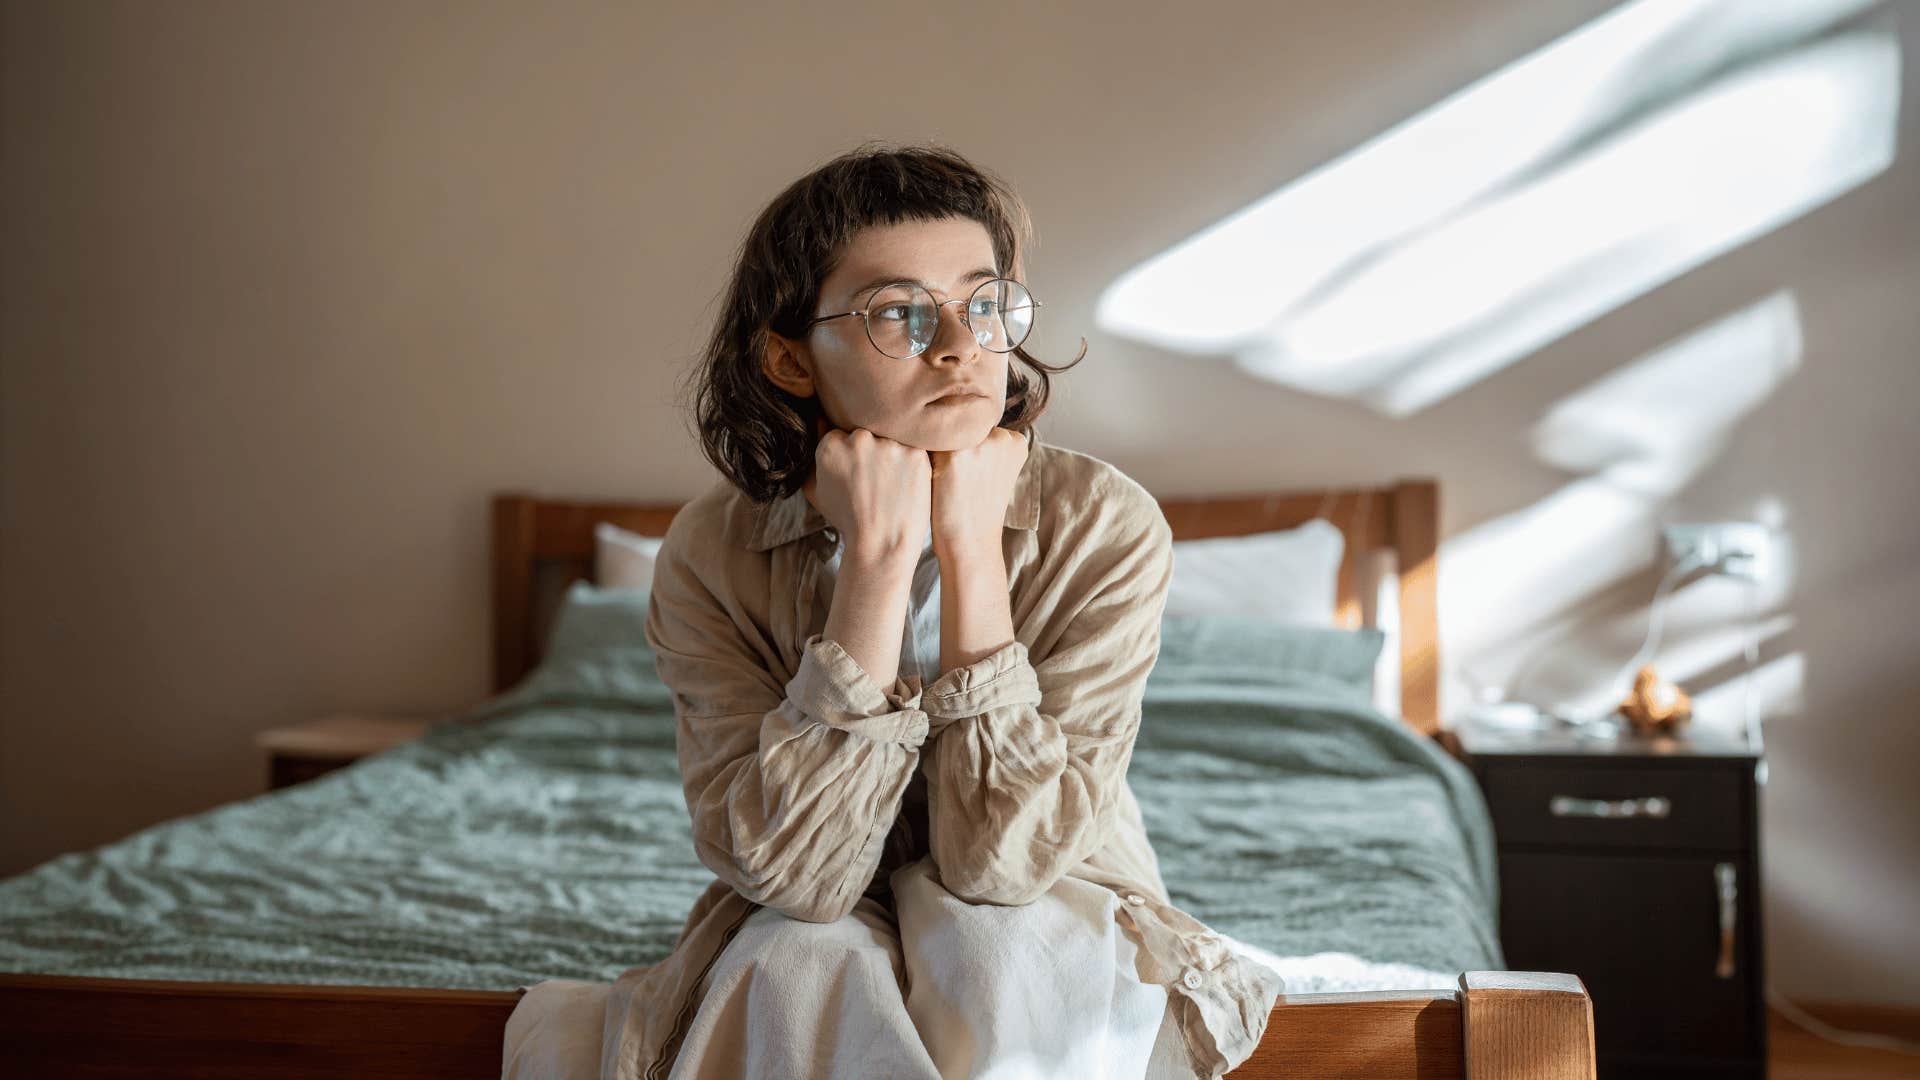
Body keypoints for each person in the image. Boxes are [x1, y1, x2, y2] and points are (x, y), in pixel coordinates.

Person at [503, 141, 1283, 1080]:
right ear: (791, 359)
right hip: (810, 914)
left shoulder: (1104, 525)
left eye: (985, 303)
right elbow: (802, 878)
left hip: (1053, 893)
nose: (961, 345)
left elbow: (1003, 871)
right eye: (898, 313)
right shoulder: (711, 552)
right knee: (796, 962)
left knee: (1011, 949)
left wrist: (970, 551)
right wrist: (874, 563)